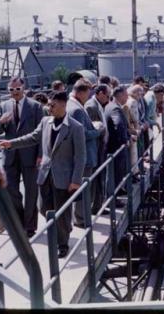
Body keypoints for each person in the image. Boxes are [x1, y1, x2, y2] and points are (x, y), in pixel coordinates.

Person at [0, 91, 86, 258]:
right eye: (49, 105)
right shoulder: (46, 122)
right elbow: (32, 138)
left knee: (61, 211)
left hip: (64, 177)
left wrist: (76, 180)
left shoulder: (75, 127)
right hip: (45, 175)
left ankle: (62, 243)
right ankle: (62, 231)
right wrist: (11, 144)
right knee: (44, 209)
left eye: (52, 105)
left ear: (63, 105)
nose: (49, 108)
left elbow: (80, 157)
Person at [0, 77, 45, 237]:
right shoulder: (3, 106)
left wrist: (41, 155)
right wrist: (1, 121)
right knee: (12, 191)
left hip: (30, 155)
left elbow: (41, 134)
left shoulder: (35, 107)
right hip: (10, 157)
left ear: (24, 88)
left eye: (17, 89)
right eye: (11, 90)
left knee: (31, 192)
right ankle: (19, 222)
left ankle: (30, 227)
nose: (14, 92)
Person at [67, 78, 102, 227]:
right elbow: (82, 135)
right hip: (84, 156)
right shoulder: (76, 109)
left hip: (81, 155)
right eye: (88, 92)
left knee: (82, 187)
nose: (89, 96)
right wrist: (98, 131)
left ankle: (80, 217)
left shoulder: (72, 105)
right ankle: (81, 219)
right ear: (81, 92)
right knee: (83, 188)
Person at [85, 84, 110, 214]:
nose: (108, 98)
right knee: (96, 178)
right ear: (99, 93)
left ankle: (98, 205)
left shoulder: (98, 104)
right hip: (96, 148)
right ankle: (95, 207)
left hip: (101, 146)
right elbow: (94, 128)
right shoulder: (91, 106)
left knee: (100, 176)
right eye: (107, 95)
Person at [105, 86, 130, 199]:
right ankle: (113, 198)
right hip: (116, 147)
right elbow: (119, 124)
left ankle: (117, 193)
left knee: (115, 173)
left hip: (112, 146)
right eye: (126, 95)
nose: (127, 97)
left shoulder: (109, 106)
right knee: (116, 173)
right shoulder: (115, 108)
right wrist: (125, 140)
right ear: (119, 95)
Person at [125, 85, 143, 179]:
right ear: (136, 92)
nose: (141, 95)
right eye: (140, 93)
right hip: (132, 128)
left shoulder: (128, 100)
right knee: (133, 153)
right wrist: (138, 129)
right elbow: (135, 118)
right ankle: (134, 173)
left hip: (129, 128)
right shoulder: (133, 102)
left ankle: (132, 172)